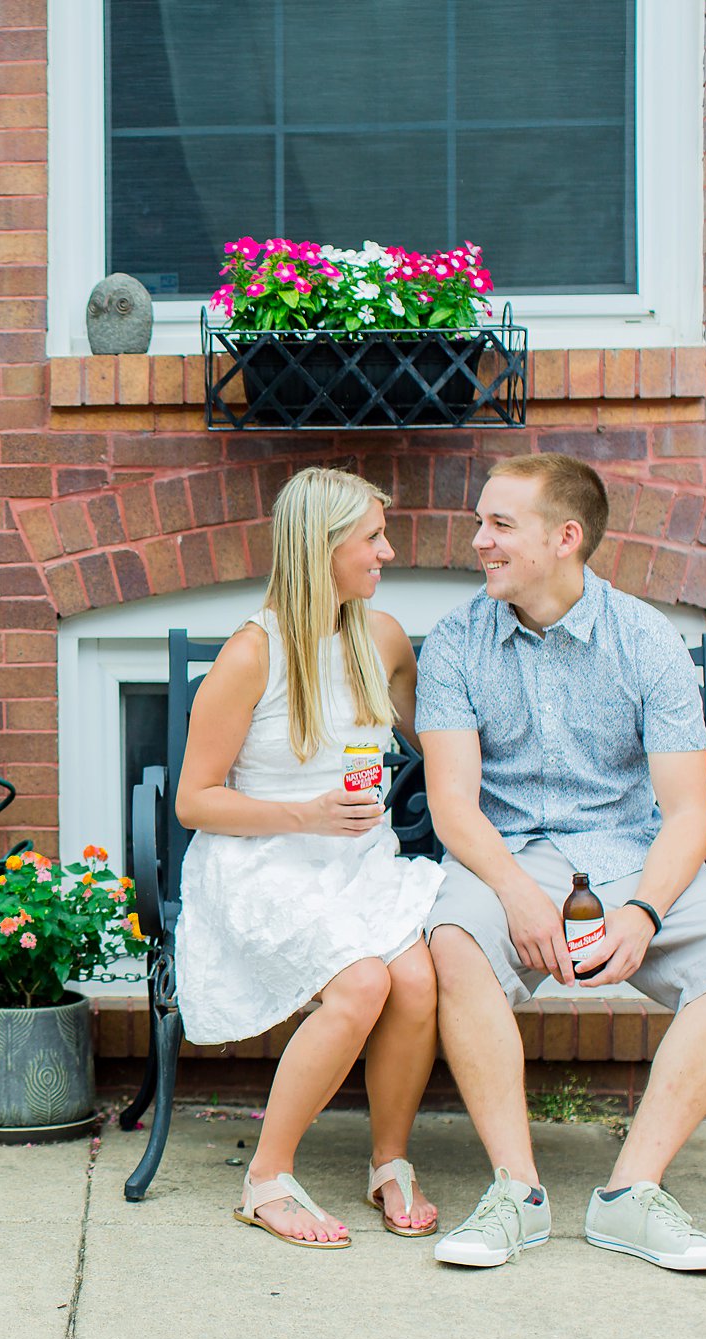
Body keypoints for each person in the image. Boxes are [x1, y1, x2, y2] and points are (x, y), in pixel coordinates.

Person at [416, 452, 706, 1273]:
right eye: (481, 522)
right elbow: (452, 808)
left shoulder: (645, 637)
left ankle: (632, 1197)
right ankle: (518, 1194)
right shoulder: (456, 642)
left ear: (566, 538)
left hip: (632, 853)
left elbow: (690, 812)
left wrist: (645, 910)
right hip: (508, 853)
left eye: (500, 525)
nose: (479, 541)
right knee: (456, 938)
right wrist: (512, 890)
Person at [174, 466, 446, 1249]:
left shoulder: (381, 638)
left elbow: (435, 744)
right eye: (372, 538)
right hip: (260, 860)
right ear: (319, 548)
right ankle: (267, 1178)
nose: (386, 552)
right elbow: (195, 800)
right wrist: (308, 813)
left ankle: (389, 1163)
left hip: (357, 857)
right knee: (363, 981)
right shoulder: (250, 657)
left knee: (416, 976)